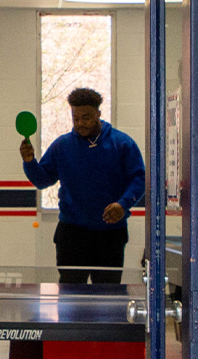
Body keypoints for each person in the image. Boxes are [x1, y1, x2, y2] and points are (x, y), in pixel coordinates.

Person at [20, 87, 145, 285]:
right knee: (70, 296)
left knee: (107, 296)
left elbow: (139, 179)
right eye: (76, 118)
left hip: (110, 234)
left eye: (86, 117)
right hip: (71, 234)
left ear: (98, 114)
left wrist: (123, 204)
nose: (80, 123)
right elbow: (42, 180)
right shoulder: (62, 146)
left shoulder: (122, 144)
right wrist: (29, 162)